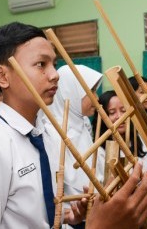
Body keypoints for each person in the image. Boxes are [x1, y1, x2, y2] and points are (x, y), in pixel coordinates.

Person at [0, 22, 147, 228]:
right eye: (41, 64)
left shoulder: (45, 134)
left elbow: (33, 214)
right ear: (2, 76)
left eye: (53, 64)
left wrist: (67, 217)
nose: (55, 74)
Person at [45, 64, 106, 197]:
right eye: (92, 91)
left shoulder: (82, 125)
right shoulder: (52, 134)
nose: (96, 98)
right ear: (71, 93)